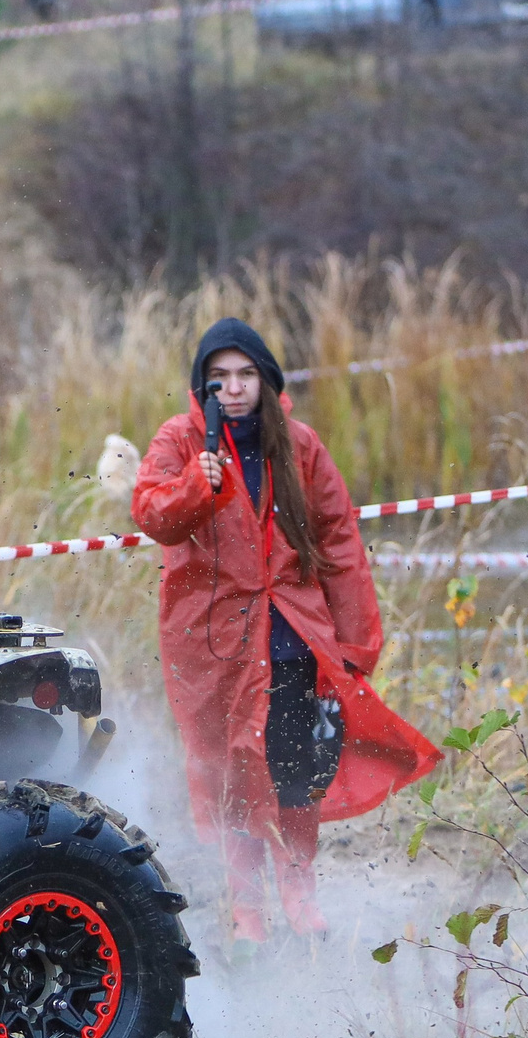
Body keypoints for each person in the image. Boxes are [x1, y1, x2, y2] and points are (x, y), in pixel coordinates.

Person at [130, 318, 439, 954]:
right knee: (233, 773)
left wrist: (355, 648)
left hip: (292, 636)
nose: (234, 390)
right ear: (202, 388)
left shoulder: (298, 444)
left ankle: (300, 892)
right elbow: (153, 514)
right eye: (220, 379)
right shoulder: (180, 441)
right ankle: (248, 909)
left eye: (246, 376)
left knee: (299, 767)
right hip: (215, 645)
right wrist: (200, 483)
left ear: (267, 381)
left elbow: (340, 544)